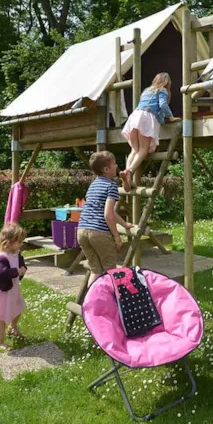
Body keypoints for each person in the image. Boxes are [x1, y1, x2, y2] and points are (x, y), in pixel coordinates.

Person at [77, 150, 133, 283]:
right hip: (99, 233)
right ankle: (111, 301)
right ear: (106, 169)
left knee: (95, 270)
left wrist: (124, 225)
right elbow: (108, 214)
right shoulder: (111, 186)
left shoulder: (93, 184)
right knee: (110, 271)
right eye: (114, 164)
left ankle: (91, 301)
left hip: (82, 231)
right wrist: (117, 236)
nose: (117, 166)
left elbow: (111, 212)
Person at [119, 72, 180, 191]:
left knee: (134, 150)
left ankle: (127, 175)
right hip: (146, 117)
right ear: (166, 82)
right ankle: (130, 172)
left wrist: (161, 120)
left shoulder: (147, 91)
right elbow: (162, 105)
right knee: (143, 150)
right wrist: (171, 117)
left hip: (135, 116)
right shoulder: (162, 90)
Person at [0, 223, 28, 350]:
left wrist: (23, 268)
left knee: (19, 308)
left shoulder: (15, 252)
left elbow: (20, 261)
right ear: (8, 243)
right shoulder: (2, 257)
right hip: (4, 292)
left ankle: (13, 328)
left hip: (14, 290)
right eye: (19, 242)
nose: (21, 244)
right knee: (2, 316)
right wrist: (16, 271)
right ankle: (0, 341)